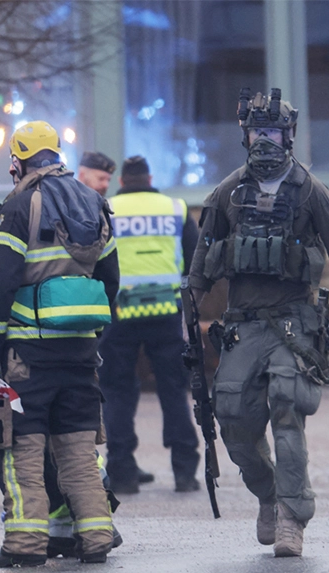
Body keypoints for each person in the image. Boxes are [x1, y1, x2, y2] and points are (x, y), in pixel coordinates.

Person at [187, 88, 329, 558]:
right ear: (245, 136)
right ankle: (268, 495)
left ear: (288, 136)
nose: (264, 141)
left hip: (293, 322)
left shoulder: (311, 191)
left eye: (272, 132)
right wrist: (187, 309)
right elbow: (203, 262)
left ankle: (292, 515)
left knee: (287, 410)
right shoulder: (229, 192)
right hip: (243, 324)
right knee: (233, 421)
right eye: (256, 132)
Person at [0, 121, 119, 567]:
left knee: (22, 452)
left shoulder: (19, 205)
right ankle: (96, 538)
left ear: (18, 160)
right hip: (79, 351)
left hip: (27, 354)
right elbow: (110, 278)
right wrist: (91, 332)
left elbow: (0, 282)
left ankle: (24, 545)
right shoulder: (94, 201)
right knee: (79, 450)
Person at [99, 155, 200, 494]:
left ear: (123, 181)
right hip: (165, 311)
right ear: (150, 178)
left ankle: (123, 471)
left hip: (119, 313)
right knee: (173, 390)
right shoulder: (175, 208)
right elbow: (194, 259)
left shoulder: (106, 208)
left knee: (117, 392)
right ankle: (185, 471)